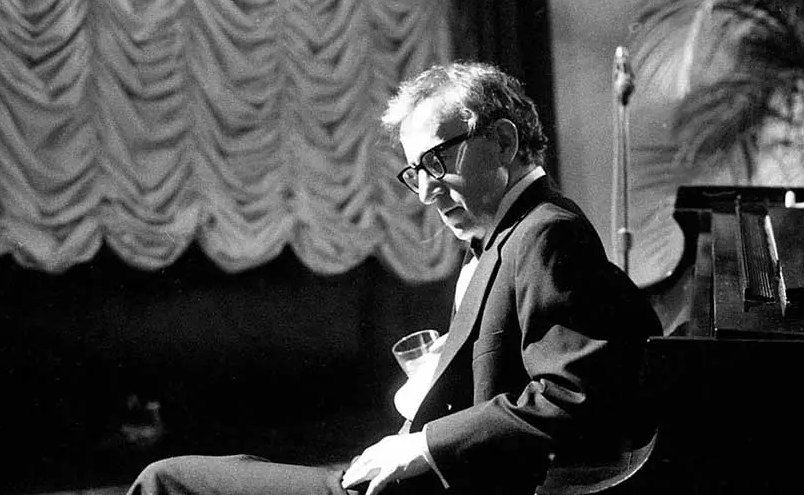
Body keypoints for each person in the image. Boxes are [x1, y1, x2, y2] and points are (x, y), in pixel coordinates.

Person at [126, 62, 661, 495]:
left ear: (502, 141)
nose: (426, 192)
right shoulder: (511, 234)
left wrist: (425, 444)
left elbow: (576, 399)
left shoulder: (547, 233)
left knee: (166, 482)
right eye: (415, 173)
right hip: (414, 473)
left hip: (437, 482)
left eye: (437, 160)